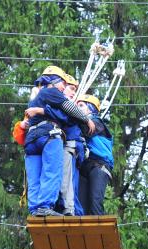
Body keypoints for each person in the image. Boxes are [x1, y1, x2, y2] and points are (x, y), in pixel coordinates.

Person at [24, 66, 95, 217]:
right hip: (49, 135)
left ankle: (35, 210)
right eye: (62, 83)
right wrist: (86, 118)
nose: (63, 87)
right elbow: (68, 109)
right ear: (53, 81)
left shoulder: (34, 100)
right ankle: (44, 206)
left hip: (30, 140)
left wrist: (42, 111)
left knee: (35, 177)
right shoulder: (52, 91)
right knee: (51, 171)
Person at [76, 94, 114, 216]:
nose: (78, 108)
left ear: (91, 108)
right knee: (81, 204)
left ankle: (99, 232)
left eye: (81, 105)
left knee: (95, 201)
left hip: (99, 166)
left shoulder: (97, 122)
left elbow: (87, 131)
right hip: (85, 167)